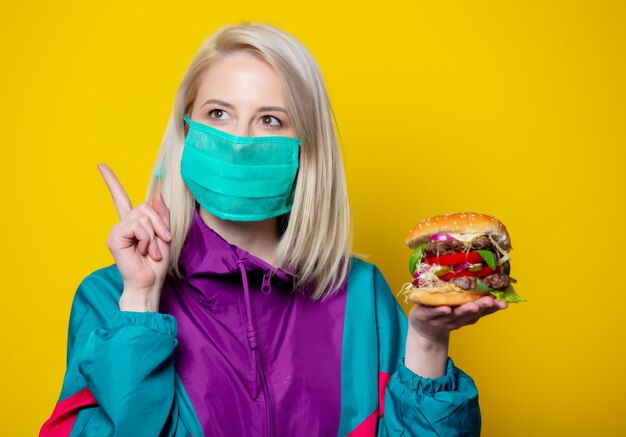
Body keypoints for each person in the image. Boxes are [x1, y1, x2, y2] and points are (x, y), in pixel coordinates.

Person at [41, 23, 507, 437]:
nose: (241, 141)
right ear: (186, 132)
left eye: (270, 120)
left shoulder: (363, 296)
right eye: (218, 114)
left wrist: (426, 342)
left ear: (306, 147)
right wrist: (141, 308)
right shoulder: (110, 301)